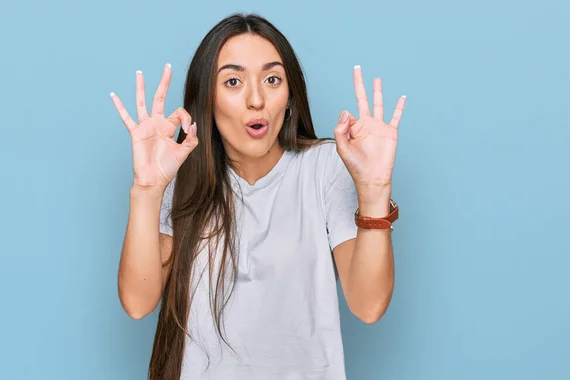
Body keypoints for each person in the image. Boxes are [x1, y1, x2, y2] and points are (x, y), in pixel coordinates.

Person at [110, 12, 406, 380]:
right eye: (233, 81)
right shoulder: (178, 174)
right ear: (208, 100)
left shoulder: (325, 167)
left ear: (289, 96)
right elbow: (138, 303)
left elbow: (369, 305)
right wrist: (147, 189)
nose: (256, 99)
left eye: (272, 79)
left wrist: (374, 190)